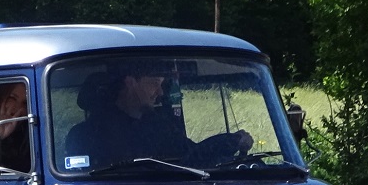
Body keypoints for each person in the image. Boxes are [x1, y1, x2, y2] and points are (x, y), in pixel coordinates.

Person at [64, 61, 252, 169]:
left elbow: (191, 156)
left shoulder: (158, 127)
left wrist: (230, 143)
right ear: (130, 82)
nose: (160, 93)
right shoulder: (86, 135)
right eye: (154, 83)